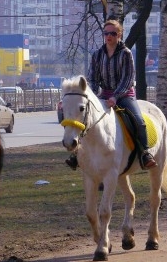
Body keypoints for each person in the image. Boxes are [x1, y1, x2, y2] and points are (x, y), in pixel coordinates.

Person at [66, 19, 156, 170]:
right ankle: (77, 154)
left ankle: (144, 153)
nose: (109, 36)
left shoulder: (126, 54)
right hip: (104, 96)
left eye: (113, 33)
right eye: (106, 33)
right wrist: (93, 95)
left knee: (138, 120)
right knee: (87, 119)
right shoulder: (97, 55)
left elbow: (127, 79)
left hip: (124, 95)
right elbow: (93, 79)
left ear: (119, 35)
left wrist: (115, 97)